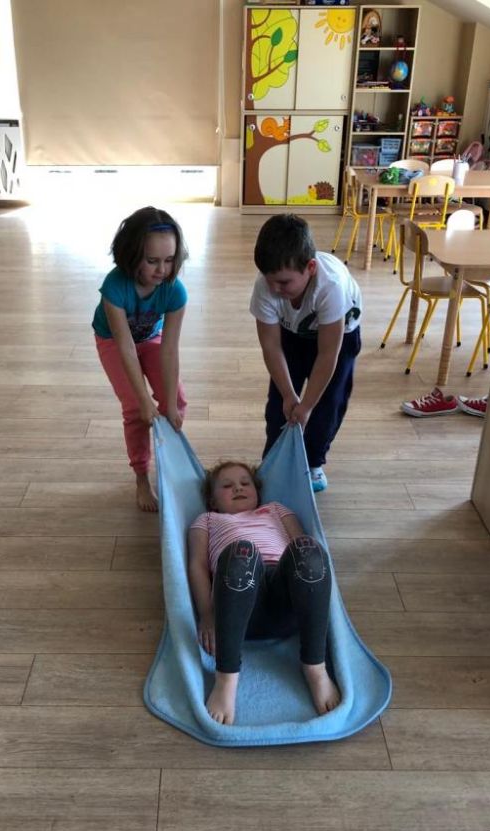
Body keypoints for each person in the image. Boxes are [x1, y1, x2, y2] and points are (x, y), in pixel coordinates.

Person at [187, 460, 340, 726]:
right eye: (227, 486)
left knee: (308, 547)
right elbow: (197, 566)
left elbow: (302, 550)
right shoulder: (208, 520)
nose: (238, 488)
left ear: (257, 492)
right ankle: (227, 678)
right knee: (241, 551)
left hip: (288, 601)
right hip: (237, 607)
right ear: (212, 501)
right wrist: (207, 615)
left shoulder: (276, 510)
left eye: (245, 483)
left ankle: (315, 668)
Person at [250, 214, 363, 493]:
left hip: (340, 336)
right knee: (279, 404)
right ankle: (275, 460)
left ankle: (313, 463)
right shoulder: (266, 286)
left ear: (310, 268)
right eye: (270, 280)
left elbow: (328, 354)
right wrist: (290, 395)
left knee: (328, 403)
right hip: (292, 332)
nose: (275, 289)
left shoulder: (330, 286)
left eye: (284, 282)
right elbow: (271, 347)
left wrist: (307, 405)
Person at [93, 206, 189, 511]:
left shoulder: (175, 292)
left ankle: (167, 464)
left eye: (169, 260)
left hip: (150, 339)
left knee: (176, 400)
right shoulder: (114, 288)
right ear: (132, 255)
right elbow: (125, 348)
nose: (162, 270)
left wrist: (168, 404)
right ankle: (141, 477)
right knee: (136, 408)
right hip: (114, 340)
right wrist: (146, 402)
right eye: (152, 261)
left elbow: (170, 349)